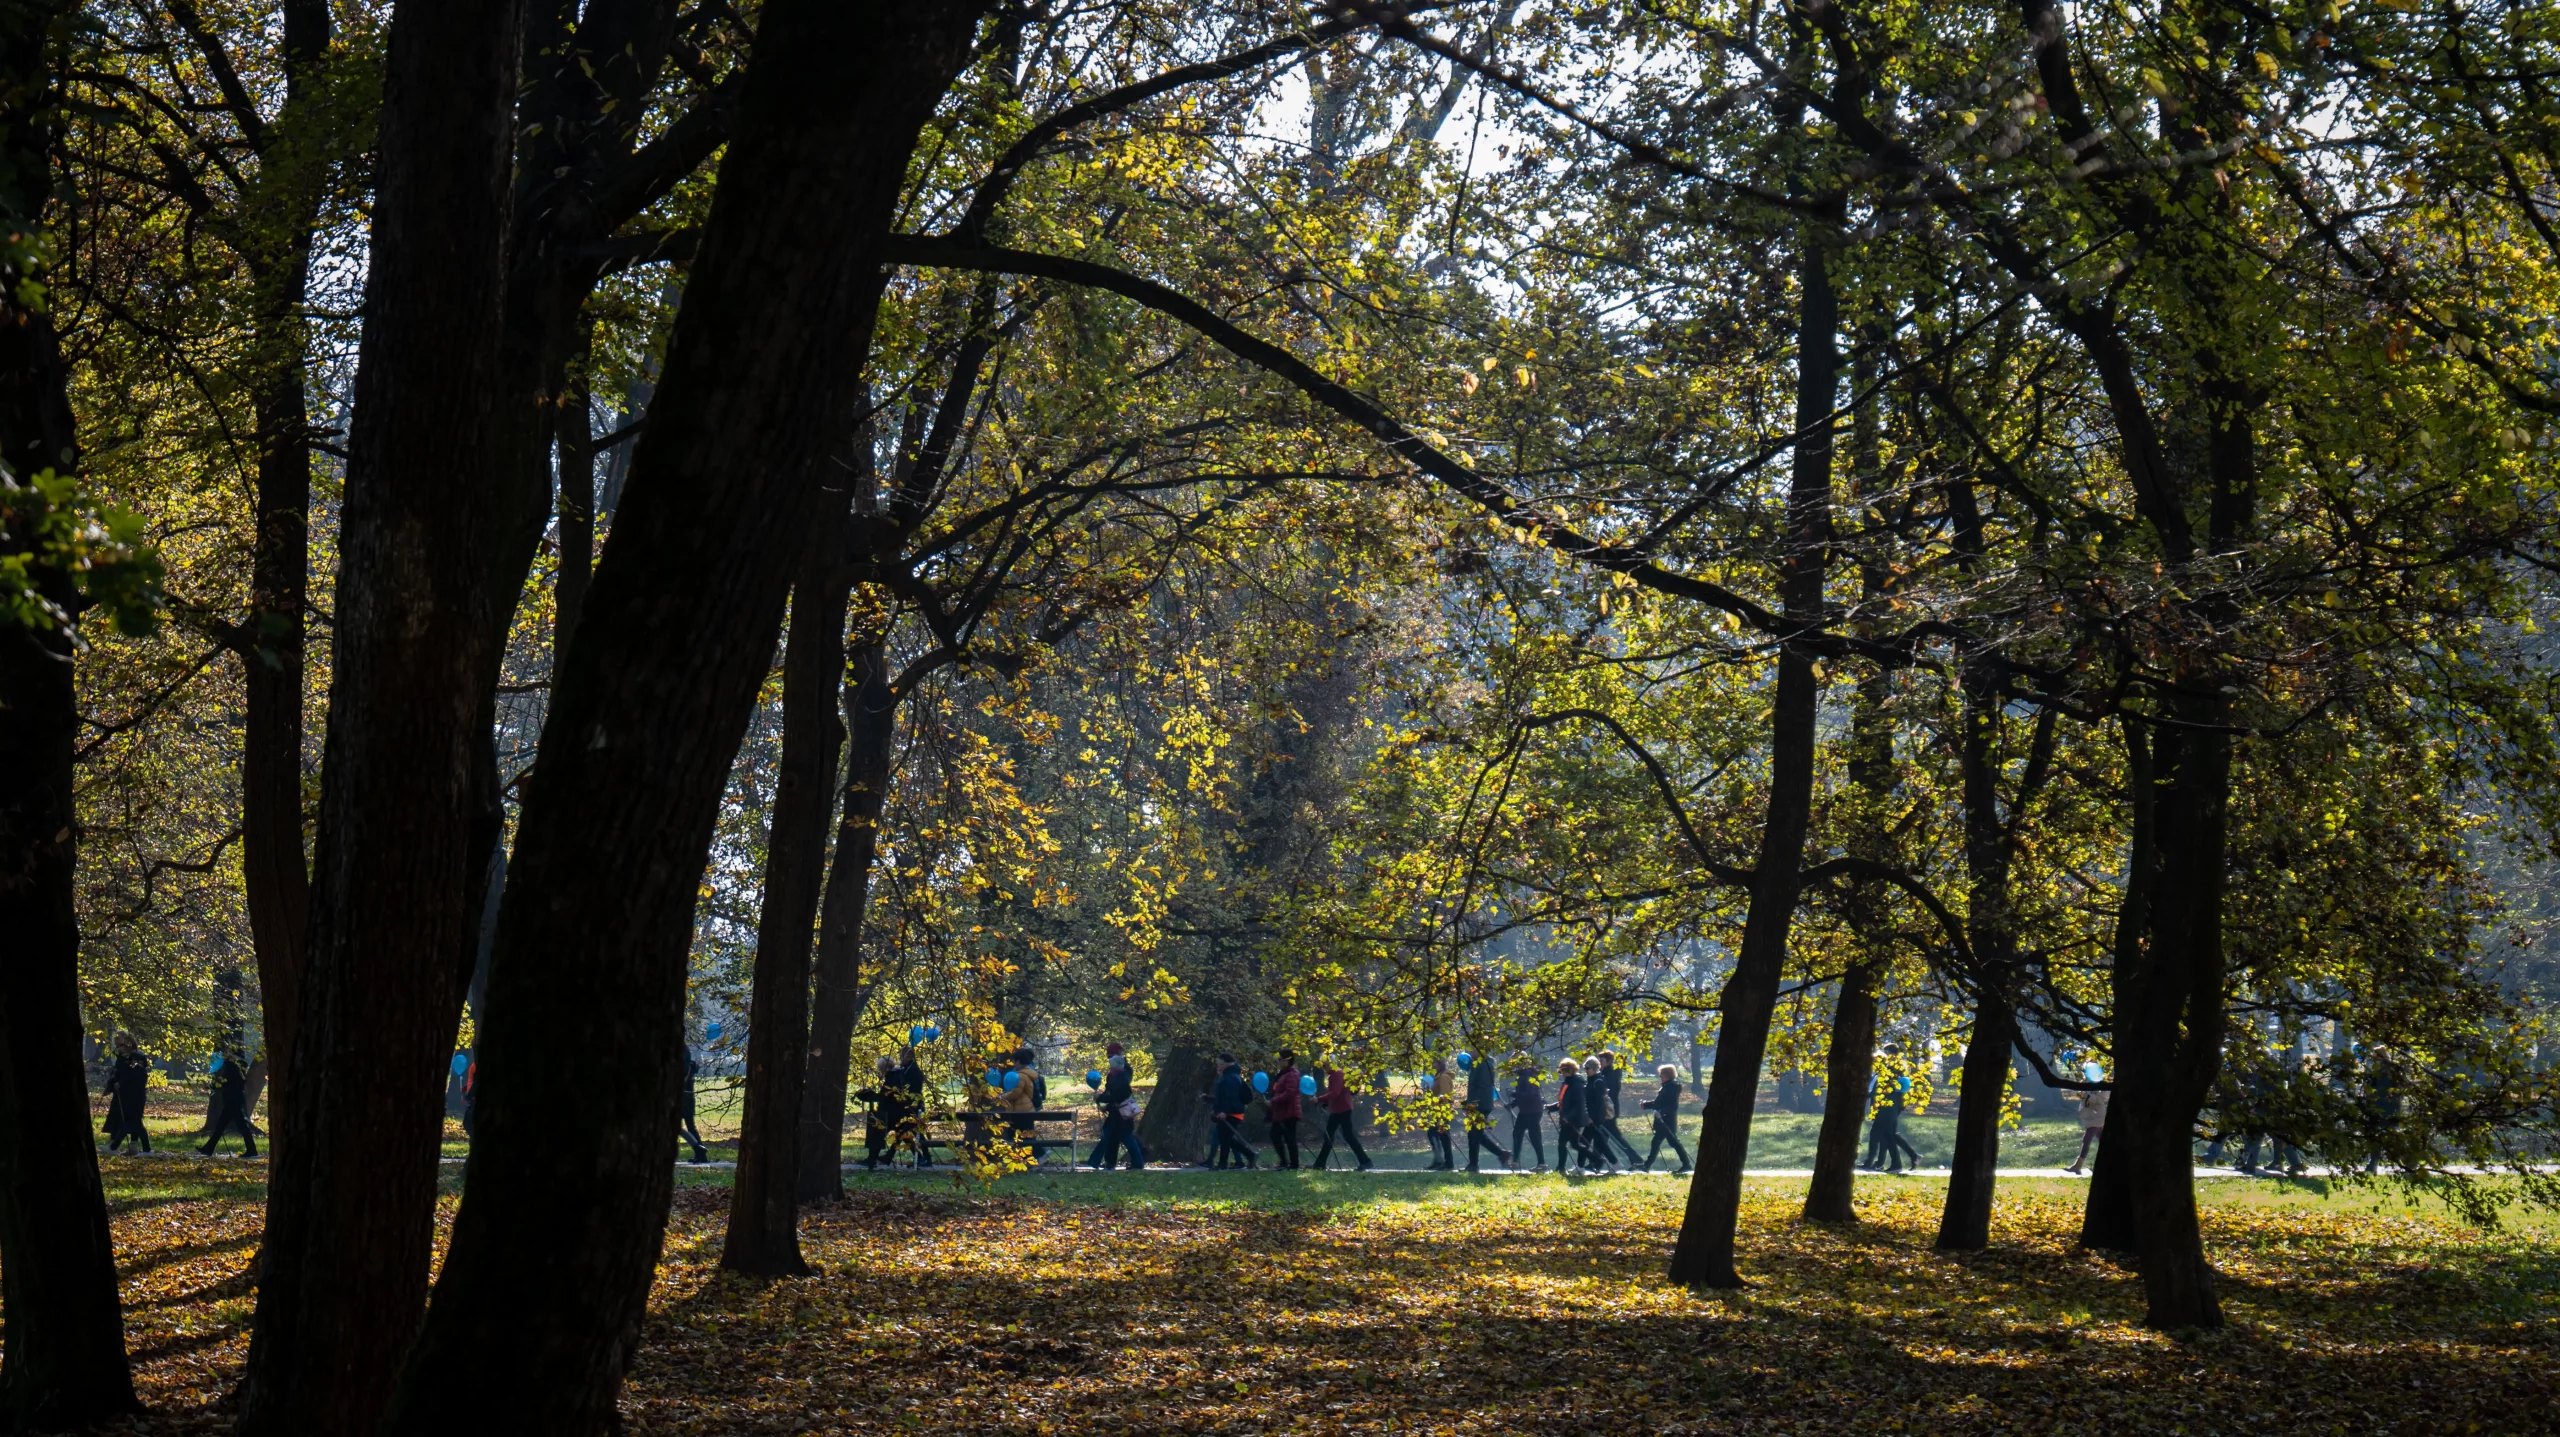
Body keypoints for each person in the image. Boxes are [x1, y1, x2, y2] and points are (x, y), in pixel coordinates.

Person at [1087, 1044, 1147, 1170]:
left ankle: (1096, 1162)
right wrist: (1104, 1103)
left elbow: (1116, 1095)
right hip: (1116, 1114)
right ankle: (1109, 1162)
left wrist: (1102, 1099)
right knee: (1115, 1138)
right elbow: (1110, 1092)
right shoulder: (1115, 1076)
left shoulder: (1122, 1078)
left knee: (1118, 1138)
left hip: (1121, 1115)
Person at [1309, 1065, 1374, 1171]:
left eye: (1325, 1064)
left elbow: (1335, 1093)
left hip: (1343, 1110)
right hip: (1338, 1110)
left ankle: (1366, 1162)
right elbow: (1336, 1093)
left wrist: (1319, 1099)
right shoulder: (1334, 1075)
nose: (1324, 1067)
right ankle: (1320, 1164)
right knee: (1329, 1137)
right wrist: (1325, 1102)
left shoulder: (1337, 1074)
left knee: (1348, 1137)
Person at [198, 1049, 257, 1158]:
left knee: (234, 1126)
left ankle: (251, 1149)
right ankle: (209, 1148)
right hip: (236, 1098)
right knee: (227, 1125)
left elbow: (227, 1082)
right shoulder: (239, 1065)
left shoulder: (231, 1065)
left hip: (232, 1099)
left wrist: (212, 1087)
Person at [101, 1033, 151, 1154]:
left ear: (128, 1044)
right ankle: (143, 1149)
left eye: (120, 1045)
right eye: (117, 1046)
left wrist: (121, 1084)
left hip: (135, 1095)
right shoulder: (123, 1057)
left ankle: (115, 1147)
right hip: (126, 1095)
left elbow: (134, 1076)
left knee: (132, 1122)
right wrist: (109, 1087)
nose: (119, 1048)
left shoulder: (137, 1057)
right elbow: (117, 1074)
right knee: (132, 1122)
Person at [1589, 1051, 1640, 1168]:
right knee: (1600, 1138)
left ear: (1609, 1061)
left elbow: (1608, 1093)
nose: (1599, 1063)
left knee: (1615, 1138)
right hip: (1605, 1111)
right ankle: (1595, 1162)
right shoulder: (1604, 1073)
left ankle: (1636, 1160)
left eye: (1601, 1060)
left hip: (1608, 1112)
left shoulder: (1610, 1075)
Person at [1864, 1067, 1919, 1174]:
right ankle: (1881, 1163)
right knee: (1884, 1135)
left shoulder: (1893, 1084)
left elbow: (1877, 1092)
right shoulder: (1898, 1085)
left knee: (1889, 1137)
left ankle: (1897, 1164)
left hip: (1887, 1113)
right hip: (1888, 1113)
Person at [1464, 1054, 1512, 1172]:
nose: (1471, 1052)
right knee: (1476, 1134)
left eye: (1473, 1049)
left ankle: (1474, 1164)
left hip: (1479, 1104)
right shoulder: (1484, 1064)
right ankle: (1501, 1154)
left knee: (1474, 1134)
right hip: (1480, 1102)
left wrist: (1471, 1104)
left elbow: (1479, 1087)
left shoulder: (1482, 1065)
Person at [1639, 1063, 1690, 1174]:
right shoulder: (1666, 1086)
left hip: (1667, 1121)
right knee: (1658, 1142)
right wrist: (1646, 1105)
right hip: (1662, 1121)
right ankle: (1647, 1165)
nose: (1660, 1076)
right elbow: (1658, 1103)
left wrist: (1662, 1113)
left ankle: (1686, 1164)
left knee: (1673, 1143)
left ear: (1668, 1075)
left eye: (1661, 1074)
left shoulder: (1672, 1087)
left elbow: (1672, 1106)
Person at [1209, 1054, 1258, 1169]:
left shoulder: (1232, 1077)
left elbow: (1232, 1097)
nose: (1219, 1066)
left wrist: (1225, 1112)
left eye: (1221, 1064)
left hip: (1232, 1112)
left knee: (1225, 1138)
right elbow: (1222, 1096)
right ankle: (1249, 1155)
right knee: (1226, 1138)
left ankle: (1224, 1163)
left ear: (1227, 1064)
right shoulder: (1228, 1076)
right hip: (1228, 1111)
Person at [1553, 1058, 1592, 1174]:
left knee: (1566, 1143)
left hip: (1574, 1120)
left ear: (1570, 1070)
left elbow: (1578, 1104)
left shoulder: (1577, 1084)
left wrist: (1568, 1116)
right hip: (1566, 1119)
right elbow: (1564, 1101)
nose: (1562, 1074)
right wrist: (1552, 1107)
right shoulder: (1567, 1082)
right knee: (1571, 1143)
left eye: (1564, 1071)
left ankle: (1561, 1167)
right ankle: (1562, 1167)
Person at [1266, 1050, 1304, 1170]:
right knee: (1276, 1135)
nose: (1278, 1062)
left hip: (1289, 1111)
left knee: (1289, 1138)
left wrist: (1274, 1100)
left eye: (1280, 1060)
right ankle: (1285, 1162)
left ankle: (1293, 1164)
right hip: (1281, 1111)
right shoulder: (1284, 1073)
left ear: (1287, 1060)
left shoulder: (1292, 1074)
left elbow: (1290, 1093)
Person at [1506, 1061, 1546, 1171]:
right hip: (1526, 1111)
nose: (1513, 1066)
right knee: (1517, 1133)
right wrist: (1512, 1104)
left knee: (1534, 1137)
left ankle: (1541, 1164)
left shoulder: (1528, 1074)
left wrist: (1514, 1094)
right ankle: (1515, 1161)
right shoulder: (1523, 1074)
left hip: (1532, 1110)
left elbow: (1529, 1094)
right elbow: (1523, 1094)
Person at [2064, 1082, 2108, 1175]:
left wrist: (2086, 1095)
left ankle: (2078, 1165)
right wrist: (2081, 1094)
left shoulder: (2104, 1085)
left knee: (2086, 1140)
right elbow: (2087, 1098)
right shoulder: (2091, 1084)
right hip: (2092, 1116)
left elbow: (2101, 1098)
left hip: (2097, 1117)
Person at [676, 1048, 711, 1163]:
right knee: (689, 1126)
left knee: (675, 1126)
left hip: (682, 1098)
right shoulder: (689, 1066)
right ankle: (700, 1151)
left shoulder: (684, 1067)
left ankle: (698, 1149)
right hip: (688, 1098)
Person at [1424, 1067, 1457, 1171]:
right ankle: (1443, 1161)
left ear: (1438, 1064)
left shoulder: (1443, 1077)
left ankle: (1444, 1162)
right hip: (1437, 1111)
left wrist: (1442, 1114)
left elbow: (1445, 1096)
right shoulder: (1438, 1077)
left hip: (1442, 1112)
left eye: (1434, 1063)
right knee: (1438, 1135)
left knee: (1440, 1135)